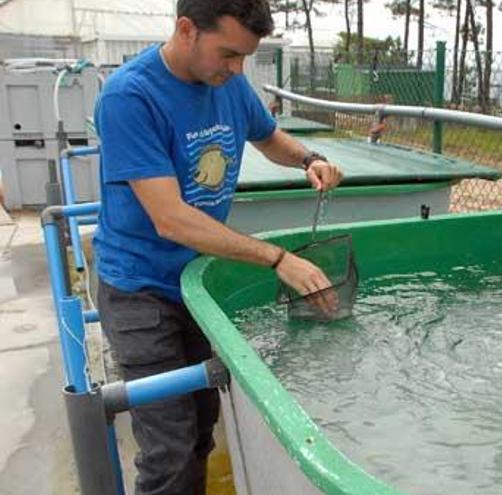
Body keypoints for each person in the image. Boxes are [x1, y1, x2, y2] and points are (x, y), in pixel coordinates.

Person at [92, 1, 343, 493]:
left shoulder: (226, 84)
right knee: (168, 449)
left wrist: (309, 159)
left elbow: (269, 137)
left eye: (245, 57)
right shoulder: (130, 96)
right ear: (186, 29)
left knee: (203, 427)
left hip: (197, 285)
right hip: (140, 291)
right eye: (228, 54)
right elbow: (170, 219)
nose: (236, 69)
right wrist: (277, 258)